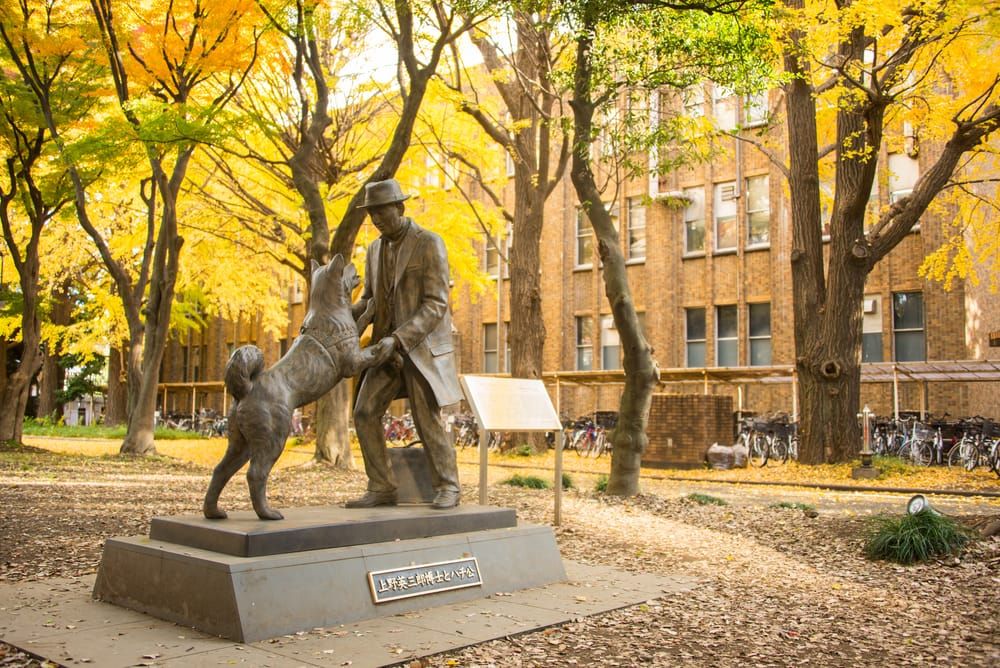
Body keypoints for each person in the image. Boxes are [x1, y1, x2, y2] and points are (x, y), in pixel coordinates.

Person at [346, 178, 463, 510]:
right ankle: (382, 485)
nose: (378, 221)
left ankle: (448, 486)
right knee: (365, 412)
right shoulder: (374, 249)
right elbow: (369, 298)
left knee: (427, 419)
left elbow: (436, 304)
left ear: (399, 207)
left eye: (382, 214)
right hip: (385, 348)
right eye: (373, 216)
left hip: (420, 349)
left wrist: (399, 339)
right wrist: (345, 315)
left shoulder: (429, 244)